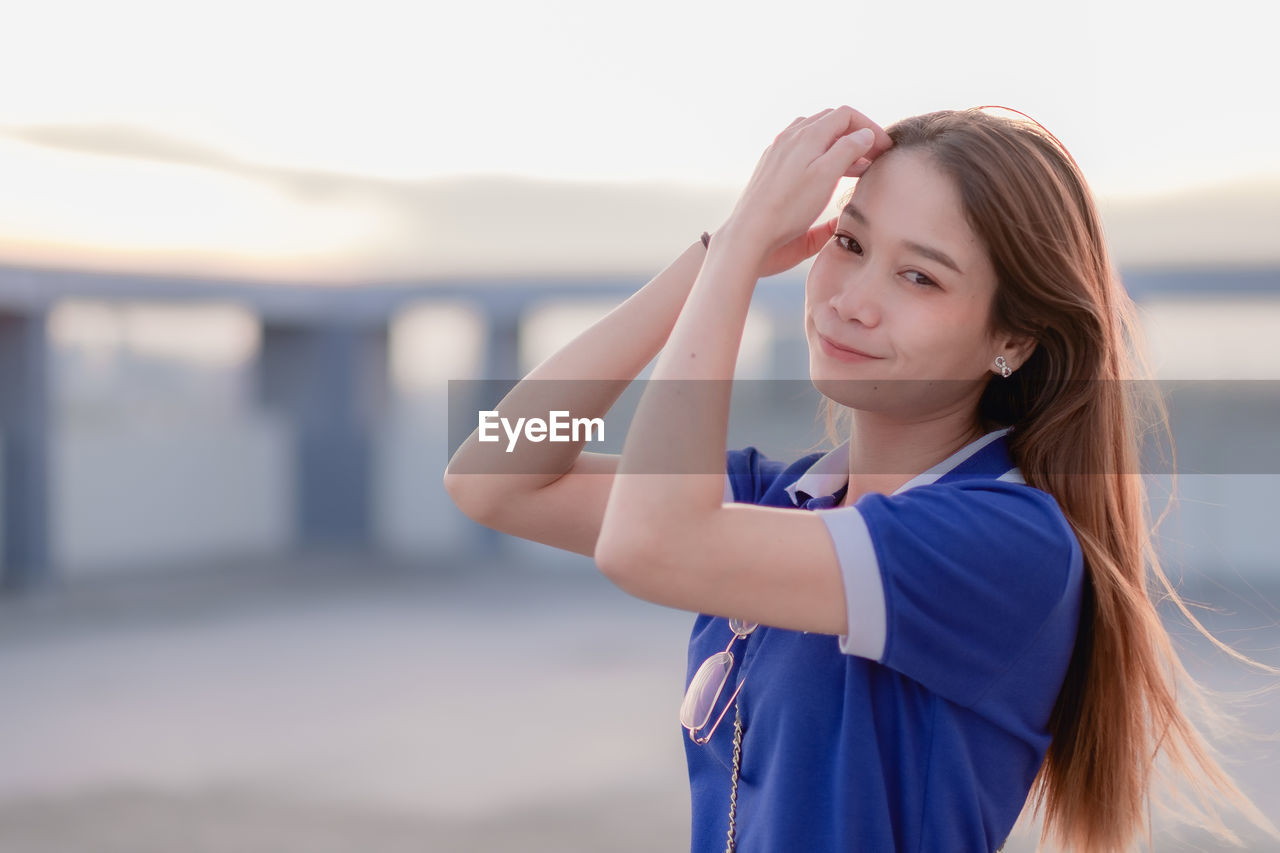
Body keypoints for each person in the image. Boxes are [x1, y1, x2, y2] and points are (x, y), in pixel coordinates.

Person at [443, 105, 1277, 851]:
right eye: (849, 244)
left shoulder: (1002, 541)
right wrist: (709, 256)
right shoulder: (781, 501)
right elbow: (495, 473)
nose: (852, 300)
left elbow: (649, 545)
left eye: (919, 276)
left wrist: (735, 263)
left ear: (1013, 339)